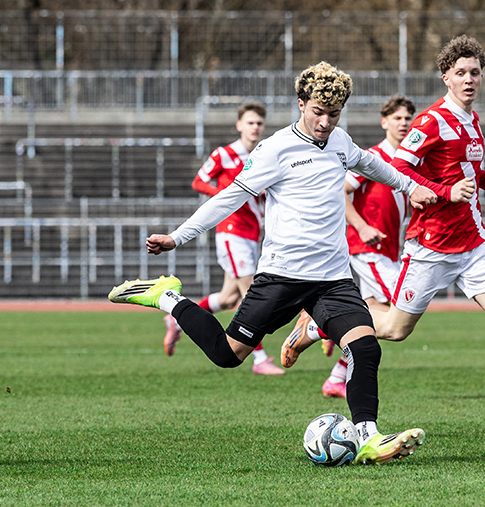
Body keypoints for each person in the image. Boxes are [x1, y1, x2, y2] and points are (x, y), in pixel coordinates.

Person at [108, 61, 438, 464]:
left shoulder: (340, 142)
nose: (324, 122)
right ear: (301, 104)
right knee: (227, 355)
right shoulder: (276, 148)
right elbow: (230, 196)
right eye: (318, 112)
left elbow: (371, 164)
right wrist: (178, 236)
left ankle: (368, 437)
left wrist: (412, 186)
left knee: (366, 349)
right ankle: (167, 297)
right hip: (282, 277)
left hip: (333, 278)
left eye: (333, 115)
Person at [282, 36, 485, 438]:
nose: (469, 79)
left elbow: (458, 170)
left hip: (473, 243)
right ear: (446, 76)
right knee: (394, 328)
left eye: (475, 72)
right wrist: (445, 193)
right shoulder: (430, 121)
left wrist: (484, 179)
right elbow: (395, 170)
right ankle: (319, 324)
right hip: (431, 245)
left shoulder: (472, 121)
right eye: (460, 72)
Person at [161, 102, 284, 376]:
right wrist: (226, 193)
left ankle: (177, 320)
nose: (255, 128)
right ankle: (259, 358)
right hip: (231, 232)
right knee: (251, 294)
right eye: (250, 122)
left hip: (253, 233)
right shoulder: (225, 154)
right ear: (239, 125)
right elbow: (199, 181)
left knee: (229, 298)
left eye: (259, 124)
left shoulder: (266, 155)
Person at [315, 94, 417, 399]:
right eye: (397, 118)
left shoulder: (408, 161)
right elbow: (338, 191)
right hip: (365, 247)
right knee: (403, 307)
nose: (403, 123)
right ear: (384, 122)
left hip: (387, 250)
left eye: (408, 119)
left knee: (378, 317)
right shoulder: (373, 157)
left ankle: (337, 376)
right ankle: (319, 326)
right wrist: (361, 226)